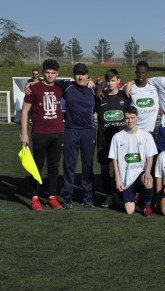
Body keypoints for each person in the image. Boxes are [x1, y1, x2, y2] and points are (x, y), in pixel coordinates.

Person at [20, 59, 64, 211]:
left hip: (58, 133)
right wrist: (24, 133)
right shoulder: (34, 88)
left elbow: (80, 83)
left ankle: (51, 197)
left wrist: (90, 81)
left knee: (53, 167)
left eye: (53, 73)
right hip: (40, 133)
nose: (50, 75)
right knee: (36, 167)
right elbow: (25, 111)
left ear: (57, 73)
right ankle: (34, 197)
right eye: (47, 72)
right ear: (43, 72)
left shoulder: (60, 88)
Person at [56, 63, 98, 208]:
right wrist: (33, 83)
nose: (80, 76)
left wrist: (93, 81)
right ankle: (67, 196)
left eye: (83, 74)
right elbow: (49, 81)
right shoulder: (67, 86)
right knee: (69, 165)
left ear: (87, 75)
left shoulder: (94, 89)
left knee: (87, 165)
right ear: (74, 75)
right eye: (77, 74)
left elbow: (107, 87)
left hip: (88, 131)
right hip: (70, 130)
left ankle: (88, 196)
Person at [109, 106, 158, 216]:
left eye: (132, 118)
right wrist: (117, 179)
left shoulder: (146, 135)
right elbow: (115, 160)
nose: (130, 121)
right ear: (124, 118)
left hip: (141, 172)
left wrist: (148, 172)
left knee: (148, 181)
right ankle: (136, 193)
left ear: (137, 118)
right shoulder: (117, 137)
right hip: (126, 177)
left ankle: (146, 205)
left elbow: (150, 156)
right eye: (127, 118)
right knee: (130, 211)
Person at [94, 69, 130, 208]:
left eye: (113, 80)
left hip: (121, 141)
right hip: (104, 139)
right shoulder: (100, 96)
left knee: (120, 169)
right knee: (104, 168)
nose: (110, 83)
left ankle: (117, 194)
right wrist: (98, 89)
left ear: (118, 81)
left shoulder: (125, 97)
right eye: (108, 81)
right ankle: (108, 195)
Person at [126, 61, 159, 138]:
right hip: (134, 130)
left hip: (149, 131)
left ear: (148, 73)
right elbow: (114, 91)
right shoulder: (130, 87)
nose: (140, 75)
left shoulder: (155, 87)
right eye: (138, 72)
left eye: (143, 72)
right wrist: (100, 89)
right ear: (135, 73)